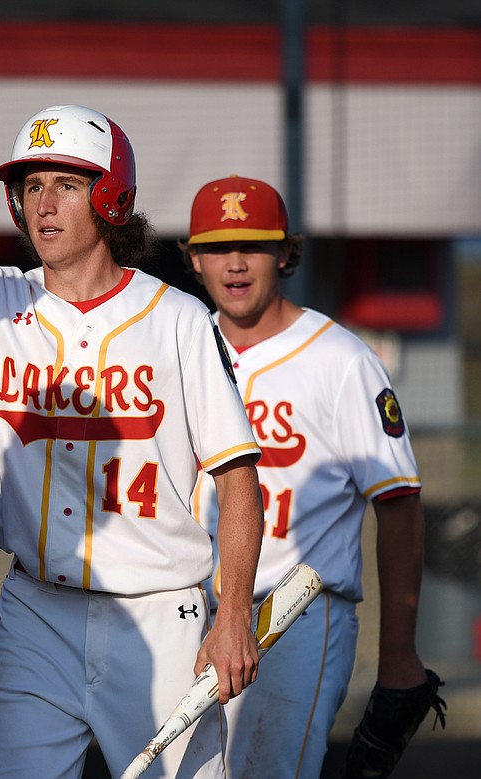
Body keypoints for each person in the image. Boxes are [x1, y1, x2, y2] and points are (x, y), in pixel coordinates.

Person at [0, 94, 265, 779]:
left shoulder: (178, 320)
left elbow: (237, 478)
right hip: (36, 611)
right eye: (31, 186)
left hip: (160, 612)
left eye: (67, 185)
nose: (43, 204)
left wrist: (235, 614)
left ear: (111, 197)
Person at [182, 174, 429, 778]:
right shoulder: (183, 346)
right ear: (193, 259)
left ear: (286, 252)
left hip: (293, 614)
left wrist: (398, 656)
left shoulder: (342, 360)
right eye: (216, 247)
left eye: (255, 246)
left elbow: (399, 504)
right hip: (187, 609)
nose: (235, 264)